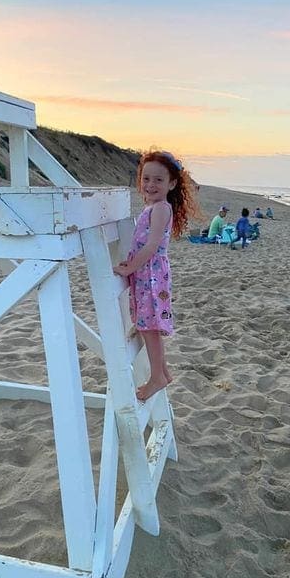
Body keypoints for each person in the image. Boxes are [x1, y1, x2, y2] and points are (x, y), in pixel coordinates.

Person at [113, 150, 200, 401]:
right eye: (146, 178)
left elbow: (151, 246)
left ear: (172, 184)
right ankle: (163, 372)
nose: (151, 185)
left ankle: (157, 377)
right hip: (147, 273)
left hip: (151, 274)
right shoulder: (154, 207)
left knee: (150, 327)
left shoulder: (161, 208)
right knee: (146, 323)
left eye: (159, 180)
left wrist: (129, 268)